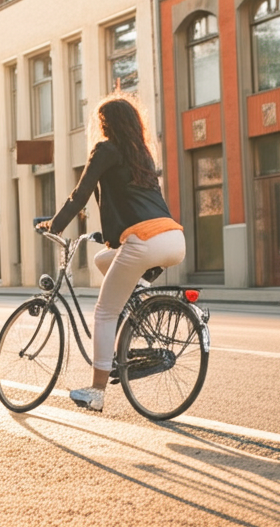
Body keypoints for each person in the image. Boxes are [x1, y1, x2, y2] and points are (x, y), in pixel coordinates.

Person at [38, 94, 185, 412]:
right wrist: (108, 237)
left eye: (102, 123)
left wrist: (55, 225)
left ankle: (96, 392)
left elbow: (80, 194)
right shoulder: (141, 155)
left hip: (144, 242)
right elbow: (131, 200)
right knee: (102, 258)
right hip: (173, 239)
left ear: (108, 125)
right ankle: (137, 299)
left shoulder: (105, 150)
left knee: (104, 313)